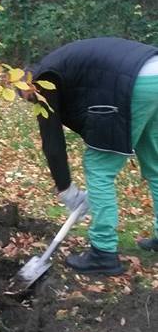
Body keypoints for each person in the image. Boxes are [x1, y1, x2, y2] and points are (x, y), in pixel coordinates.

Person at [27, 37, 158, 275]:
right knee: (156, 165)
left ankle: (103, 254)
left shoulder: (43, 81)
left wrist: (66, 190)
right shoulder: (60, 67)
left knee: (100, 168)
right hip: (153, 71)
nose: (29, 101)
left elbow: (52, 139)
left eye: (26, 97)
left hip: (130, 82)